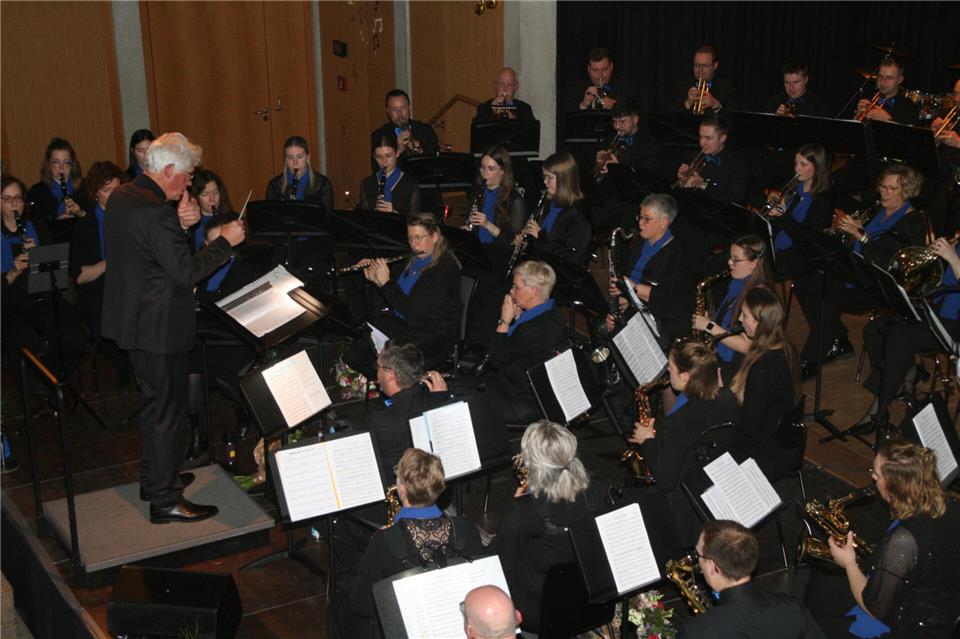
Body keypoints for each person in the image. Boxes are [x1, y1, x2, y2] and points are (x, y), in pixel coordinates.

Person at [101, 132, 246, 523]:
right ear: (168, 170)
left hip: (133, 320)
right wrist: (225, 242)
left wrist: (180, 227)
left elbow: (151, 255)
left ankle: (154, 480)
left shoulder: (124, 196)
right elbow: (185, 273)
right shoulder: (156, 212)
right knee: (168, 412)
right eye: (187, 175)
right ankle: (165, 500)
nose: (190, 183)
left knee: (153, 405)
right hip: (159, 326)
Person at [327, 448, 483, 639]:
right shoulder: (467, 527)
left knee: (336, 609)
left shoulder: (384, 539)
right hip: (457, 622)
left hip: (406, 629)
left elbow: (361, 604)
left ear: (402, 490)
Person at [817, 441, 960, 638]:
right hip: (942, 599)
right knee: (821, 590)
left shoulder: (903, 541)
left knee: (818, 624)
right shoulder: (951, 504)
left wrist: (849, 562)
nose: (872, 477)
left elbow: (874, 609)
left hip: (909, 626)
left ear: (892, 486)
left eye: (876, 474)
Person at [802, 165, 926, 380]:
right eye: (883, 187)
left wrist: (862, 236)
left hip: (879, 286)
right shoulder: (878, 210)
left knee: (828, 298)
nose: (884, 193)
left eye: (891, 189)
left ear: (906, 192)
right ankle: (835, 339)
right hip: (857, 273)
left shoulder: (913, 221)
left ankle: (810, 359)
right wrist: (845, 232)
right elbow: (854, 246)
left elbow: (891, 264)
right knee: (807, 282)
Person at [494, 420, 607, 634]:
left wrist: (515, 510)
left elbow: (501, 560)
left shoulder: (523, 511)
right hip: (593, 604)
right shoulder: (599, 493)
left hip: (538, 614)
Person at [629, 340, 740, 546]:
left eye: (671, 368)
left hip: (686, 511)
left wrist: (648, 440)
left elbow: (666, 481)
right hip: (719, 489)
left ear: (685, 377)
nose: (667, 371)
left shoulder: (678, 423)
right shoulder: (728, 398)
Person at [345, 212, 462, 376]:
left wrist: (385, 283)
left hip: (433, 334)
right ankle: (382, 384)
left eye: (418, 238)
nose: (414, 244)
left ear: (435, 236)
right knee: (357, 351)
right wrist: (375, 280)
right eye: (410, 238)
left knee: (381, 359)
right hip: (404, 325)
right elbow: (395, 299)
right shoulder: (413, 260)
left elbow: (414, 311)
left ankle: (392, 386)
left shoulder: (445, 268)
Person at [860, 235, 959, 418]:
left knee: (901, 336)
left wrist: (953, 258)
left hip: (955, 323)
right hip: (940, 307)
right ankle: (904, 373)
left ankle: (878, 410)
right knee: (875, 329)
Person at [679, 520, 827, 639]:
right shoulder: (792, 607)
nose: (697, 561)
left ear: (713, 566)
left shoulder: (695, 632)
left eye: (698, 555)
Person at [1, 174, 85, 380]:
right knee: (23, 340)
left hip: (41, 295)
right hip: (9, 302)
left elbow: (55, 271)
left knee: (74, 336)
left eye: (18, 198)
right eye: (7, 198)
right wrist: (13, 272)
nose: (14, 203)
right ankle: (29, 390)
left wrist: (39, 256)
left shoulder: (37, 228)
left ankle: (48, 378)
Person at [765, 144, 839, 369]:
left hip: (801, 255)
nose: (796, 168)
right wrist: (772, 214)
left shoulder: (824, 199)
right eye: (796, 163)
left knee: (757, 269)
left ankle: (762, 336)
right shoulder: (795, 190)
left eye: (803, 164)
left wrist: (784, 215)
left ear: (816, 168)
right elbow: (782, 225)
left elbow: (805, 237)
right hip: (781, 248)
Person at [728, 287, 801, 482]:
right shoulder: (788, 347)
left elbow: (749, 429)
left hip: (762, 452)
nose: (740, 319)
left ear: (761, 323)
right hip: (780, 440)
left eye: (745, 315)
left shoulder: (762, 367)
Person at [69, 161, 131, 390]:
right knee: (102, 322)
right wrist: (110, 262)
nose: (113, 195)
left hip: (128, 285)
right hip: (97, 291)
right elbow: (80, 277)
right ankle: (121, 363)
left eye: (117, 189)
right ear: (95, 193)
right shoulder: (86, 226)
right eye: (106, 190)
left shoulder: (131, 218)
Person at [481, 260, 566, 424]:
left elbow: (495, 359)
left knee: (466, 400)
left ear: (533, 291)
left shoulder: (531, 329)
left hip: (521, 399)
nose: (511, 291)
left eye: (516, 287)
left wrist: (504, 321)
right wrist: (518, 319)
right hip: (536, 391)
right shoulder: (553, 313)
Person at [605, 193, 693, 349]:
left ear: (664, 222)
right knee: (603, 327)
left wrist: (633, 290)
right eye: (640, 217)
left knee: (627, 341)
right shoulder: (640, 243)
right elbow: (630, 276)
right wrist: (623, 300)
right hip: (638, 306)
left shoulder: (678, 254)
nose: (640, 223)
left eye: (647, 219)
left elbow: (670, 299)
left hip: (664, 316)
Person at [359, 341, 452, 483]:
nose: (376, 372)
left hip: (404, 487)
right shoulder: (439, 400)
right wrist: (442, 398)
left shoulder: (378, 419)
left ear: (390, 374)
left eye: (378, 366)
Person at [463, 146, 526, 345]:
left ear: (503, 172)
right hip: (478, 252)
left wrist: (488, 225)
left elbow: (512, 242)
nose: (485, 173)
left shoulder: (515, 200)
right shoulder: (478, 193)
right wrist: (467, 229)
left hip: (500, 257)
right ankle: (466, 337)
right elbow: (473, 226)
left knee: (484, 291)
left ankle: (483, 342)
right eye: (482, 168)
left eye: (491, 169)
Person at [693, 235, 773, 379]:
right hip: (722, 354)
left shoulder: (757, 296)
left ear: (754, 264)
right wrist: (710, 320)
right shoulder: (737, 283)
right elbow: (728, 321)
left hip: (738, 366)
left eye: (736, 259)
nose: (730, 262)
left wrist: (709, 326)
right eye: (730, 257)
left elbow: (746, 346)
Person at [518, 151, 590, 265]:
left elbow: (571, 258)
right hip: (541, 266)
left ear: (564, 179)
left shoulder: (578, 214)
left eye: (549, 178)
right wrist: (527, 244)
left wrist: (540, 236)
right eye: (544, 177)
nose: (544, 182)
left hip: (559, 271)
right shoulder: (549, 203)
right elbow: (540, 245)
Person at [675, 115, 750, 205]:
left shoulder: (737, 163)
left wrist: (702, 184)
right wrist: (682, 179)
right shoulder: (694, 155)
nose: (702, 142)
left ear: (722, 138)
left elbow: (736, 198)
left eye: (708, 138)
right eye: (701, 137)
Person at [370, 89, 439, 170]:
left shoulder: (425, 130)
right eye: (394, 110)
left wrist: (421, 151)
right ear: (388, 111)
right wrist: (398, 151)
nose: (400, 115)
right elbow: (379, 171)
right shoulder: (379, 135)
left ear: (409, 108)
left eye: (403, 108)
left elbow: (435, 162)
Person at [264, 135, 334, 212]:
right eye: (290, 158)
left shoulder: (322, 184)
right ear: (285, 160)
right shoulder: (275, 185)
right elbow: (270, 215)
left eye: (300, 157)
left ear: (308, 158)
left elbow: (327, 215)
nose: (295, 163)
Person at [594, 98, 662, 177]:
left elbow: (647, 178)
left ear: (635, 119)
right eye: (614, 121)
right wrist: (598, 162)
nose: (617, 126)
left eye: (622, 121)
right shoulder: (608, 140)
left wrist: (618, 168)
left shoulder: (651, 146)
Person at [358, 135, 421, 217]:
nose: (384, 161)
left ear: (397, 153)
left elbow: (415, 220)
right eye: (379, 157)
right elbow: (363, 217)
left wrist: (395, 213)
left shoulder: (411, 183)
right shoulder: (367, 184)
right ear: (374, 157)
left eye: (388, 156)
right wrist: (373, 214)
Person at [28, 137, 87, 222]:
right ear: (48, 164)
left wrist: (80, 213)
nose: (61, 168)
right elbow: (36, 225)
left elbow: (94, 223)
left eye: (66, 162)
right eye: (56, 162)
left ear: (72, 164)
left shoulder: (85, 188)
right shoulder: (37, 192)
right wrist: (56, 223)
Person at [564, 47, 636, 113]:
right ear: (589, 69)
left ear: (611, 67)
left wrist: (616, 105)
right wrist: (583, 105)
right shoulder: (577, 91)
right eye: (595, 70)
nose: (600, 75)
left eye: (604, 69)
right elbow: (568, 116)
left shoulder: (625, 89)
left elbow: (634, 113)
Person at [854, 58, 920, 125]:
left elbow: (908, 131)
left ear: (900, 79)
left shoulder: (909, 107)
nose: (883, 82)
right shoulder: (869, 100)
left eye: (889, 78)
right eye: (880, 76)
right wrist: (857, 118)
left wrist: (888, 120)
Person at [675, 45, 737, 114]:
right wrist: (688, 103)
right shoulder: (682, 87)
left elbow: (732, 118)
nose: (700, 70)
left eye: (705, 65)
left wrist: (715, 104)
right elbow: (672, 117)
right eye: (696, 65)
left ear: (715, 65)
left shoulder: (727, 89)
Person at [763, 61, 830, 118]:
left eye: (796, 82)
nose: (791, 87)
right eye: (787, 82)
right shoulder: (773, 102)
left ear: (806, 80)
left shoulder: (818, 106)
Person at [189, 169, 233, 252]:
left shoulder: (231, 218)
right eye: (205, 194)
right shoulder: (192, 225)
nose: (212, 199)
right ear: (196, 198)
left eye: (215, 193)